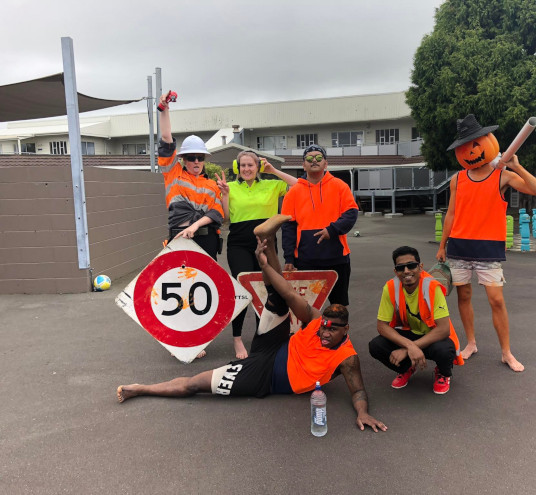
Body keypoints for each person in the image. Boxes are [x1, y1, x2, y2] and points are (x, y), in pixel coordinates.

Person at [117, 215, 387, 433]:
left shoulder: (347, 358)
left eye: (332, 329)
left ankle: (141, 388)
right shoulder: (317, 320)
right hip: (275, 343)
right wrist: (265, 266)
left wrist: (364, 413)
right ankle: (267, 239)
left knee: (194, 385)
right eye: (325, 325)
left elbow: (359, 389)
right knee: (280, 299)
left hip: (263, 375)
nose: (325, 331)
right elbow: (290, 293)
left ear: (346, 330)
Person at [436, 114, 536, 372]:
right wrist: (442, 245)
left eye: (475, 144)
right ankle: (471, 342)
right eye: (464, 147)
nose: (470, 151)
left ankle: (506, 352)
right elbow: (451, 213)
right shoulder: (457, 179)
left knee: (496, 300)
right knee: (463, 296)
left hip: (488, 248)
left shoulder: (502, 176)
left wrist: (516, 167)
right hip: (459, 247)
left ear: (488, 141)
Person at [157, 93, 225, 359]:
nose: (196, 162)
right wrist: (163, 109)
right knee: (179, 289)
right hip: (179, 239)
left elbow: (217, 212)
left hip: (206, 239)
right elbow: (165, 141)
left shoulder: (210, 184)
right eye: (192, 157)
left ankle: (197, 339)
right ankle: (179, 339)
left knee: (202, 291)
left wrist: (196, 226)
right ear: (184, 158)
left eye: (200, 158)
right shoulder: (173, 173)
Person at [215, 151, 297, 359]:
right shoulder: (230, 187)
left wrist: (273, 170)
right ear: (237, 167)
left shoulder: (271, 185)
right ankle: (237, 338)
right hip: (239, 244)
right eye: (242, 165)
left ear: (258, 166)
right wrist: (224, 194)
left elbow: (299, 185)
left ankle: (264, 335)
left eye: (251, 165)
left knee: (267, 289)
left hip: (267, 243)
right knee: (243, 289)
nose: (247, 169)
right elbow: (225, 219)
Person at [369, 246, 463, 394]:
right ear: (395, 271)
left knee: (444, 350)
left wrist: (408, 348)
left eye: (411, 265)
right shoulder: (390, 287)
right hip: (409, 334)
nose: (406, 271)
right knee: (376, 345)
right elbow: (382, 326)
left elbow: (444, 329)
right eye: (401, 268)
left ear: (420, 267)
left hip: (433, 337)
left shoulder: (432, 286)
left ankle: (443, 373)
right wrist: (409, 346)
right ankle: (407, 367)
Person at [281, 144, 358, 306]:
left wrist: (332, 230)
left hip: (337, 258)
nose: (314, 161)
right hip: (305, 259)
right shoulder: (293, 192)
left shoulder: (340, 186)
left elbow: (351, 213)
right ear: (303, 165)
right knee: (306, 306)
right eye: (309, 158)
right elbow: (288, 226)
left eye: (318, 158)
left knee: (338, 305)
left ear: (325, 163)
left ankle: (340, 332)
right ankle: (308, 332)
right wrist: (288, 257)